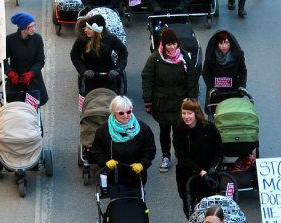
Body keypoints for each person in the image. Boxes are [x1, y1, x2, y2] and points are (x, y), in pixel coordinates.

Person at [142, 27, 199, 173]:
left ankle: (181, 156)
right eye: (169, 44)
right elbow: (147, 79)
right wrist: (148, 101)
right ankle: (166, 156)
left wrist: (192, 99)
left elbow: (191, 79)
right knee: (164, 131)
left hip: (180, 103)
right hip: (162, 103)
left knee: (180, 132)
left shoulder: (184, 58)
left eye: (174, 43)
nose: (172, 47)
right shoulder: (155, 59)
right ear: (163, 44)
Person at [91, 95, 157, 188]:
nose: (126, 116)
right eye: (121, 113)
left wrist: (142, 164)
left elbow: (150, 150)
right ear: (114, 112)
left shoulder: (143, 128)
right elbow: (96, 151)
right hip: (114, 176)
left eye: (129, 112)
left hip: (137, 176)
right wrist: (105, 161)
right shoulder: (103, 130)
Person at [173, 99, 222, 217]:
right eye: (183, 113)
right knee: (187, 203)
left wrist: (213, 167)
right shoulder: (179, 129)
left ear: (196, 113)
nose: (186, 116)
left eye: (189, 113)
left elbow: (219, 150)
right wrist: (200, 171)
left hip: (207, 174)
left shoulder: (209, 128)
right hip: (186, 173)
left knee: (206, 203)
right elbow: (182, 156)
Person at [71, 13, 128, 93]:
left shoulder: (111, 38)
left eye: (89, 28)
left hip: (108, 76)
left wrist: (117, 69)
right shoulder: (82, 40)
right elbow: (74, 56)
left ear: (97, 30)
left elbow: (123, 53)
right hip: (89, 76)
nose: (85, 30)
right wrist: (83, 71)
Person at [4, 12, 48, 106]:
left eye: (34, 25)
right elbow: (2, 60)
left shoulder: (37, 39)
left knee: (33, 112)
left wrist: (31, 73)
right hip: (16, 83)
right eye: (30, 26)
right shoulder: (10, 40)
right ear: (23, 28)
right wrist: (10, 72)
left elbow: (40, 61)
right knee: (16, 111)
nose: (33, 29)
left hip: (33, 82)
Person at [201, 30, 247, 107]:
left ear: (230, 43)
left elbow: (242, 71)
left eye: (226, 42)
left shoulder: (238, 55)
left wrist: (242, 86)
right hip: (216, 92)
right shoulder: (210, 57)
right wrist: (211, 87)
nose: (224, 46)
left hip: (233, 91)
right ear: (217, 44)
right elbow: (206, 73)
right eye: (221, 43)